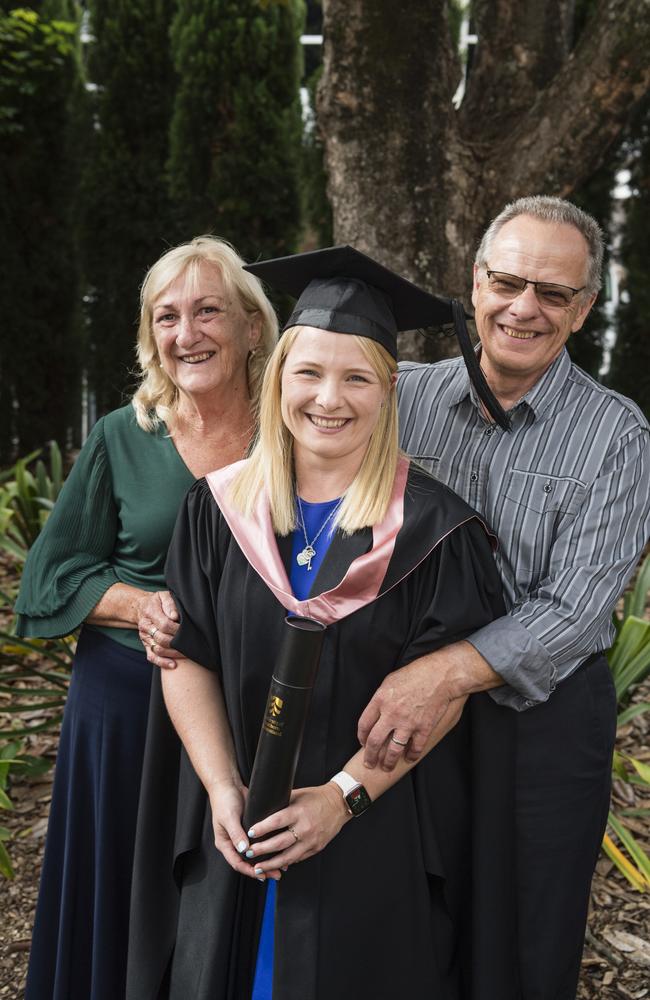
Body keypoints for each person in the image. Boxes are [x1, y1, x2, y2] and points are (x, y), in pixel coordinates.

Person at [128, 246, 521, 999]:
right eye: (307, 373)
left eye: (355, 377)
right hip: (234, 829)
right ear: (278, 379)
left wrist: (342, 798)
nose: (327, 399)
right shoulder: (217, 511)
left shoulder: (437, 531)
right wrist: (219, 788)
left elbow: (440, 700)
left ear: (389, 389)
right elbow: (185, 658)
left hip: (369, 836)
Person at [359, 196, 650, 998]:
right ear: (476, 282)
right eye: (508, 282)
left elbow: (577, 609)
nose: (525, 308)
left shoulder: (616, 437)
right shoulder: (401, 399)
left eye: (553, 294)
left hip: (538, 724)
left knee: (522, 940)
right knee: (410, 922)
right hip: (402, 713)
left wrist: (446, 674)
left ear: (584, 310)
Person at [14, 236, 278, 1000]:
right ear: (149, 334)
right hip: (127, 701)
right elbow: (50, 577)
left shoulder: (291, 434)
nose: (186, 333)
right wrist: (141, 604)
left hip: (243, 703)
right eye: (167, 317)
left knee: (219, 887)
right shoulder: (124, 437)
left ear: (252, 327)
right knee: (117, 891)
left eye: (207, 311)